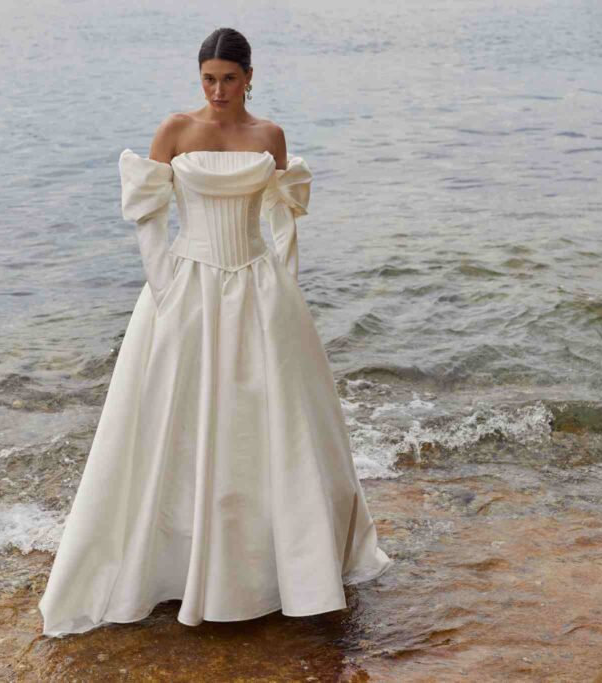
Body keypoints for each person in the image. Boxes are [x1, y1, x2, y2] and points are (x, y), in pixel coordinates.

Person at [38, 27, 393, 637]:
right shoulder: (176, 130)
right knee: (175, 422)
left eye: (230, 78)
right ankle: (171, 566)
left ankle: (282, 569)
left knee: (270, 427)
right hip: (187, 289)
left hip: (259, 291)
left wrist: (282, 282)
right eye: (209, 78)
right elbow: (148, 214)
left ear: (250, 77)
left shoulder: (269, 136)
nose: (219, 89)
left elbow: (284, 213)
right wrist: (165, 283)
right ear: (198, 76)